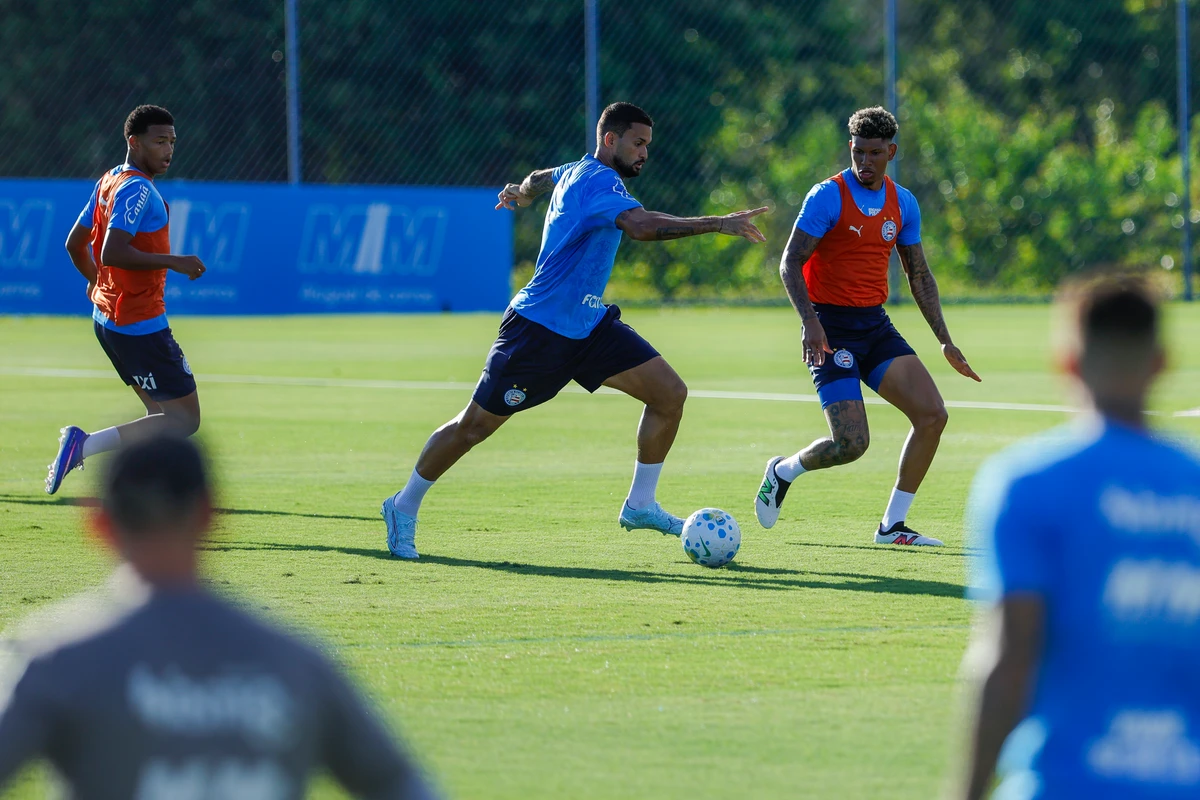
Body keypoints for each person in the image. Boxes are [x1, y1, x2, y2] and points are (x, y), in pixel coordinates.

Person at [381, 101, 768, 559]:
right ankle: (403, 507)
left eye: (648, 145)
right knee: (473, 428)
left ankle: (640, 504)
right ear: (611, 139)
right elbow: (641, 227)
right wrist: (717, 223)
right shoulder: (599, 183)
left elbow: (542, 177)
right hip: (538, 330)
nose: (645, 153)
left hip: (588, 326)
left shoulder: (576, 170)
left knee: (669, 395)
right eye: (638, 143)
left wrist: (524, 190)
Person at [0, 435, 437, 799]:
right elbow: (400, 784)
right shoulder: (295, 662)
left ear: (98, 524)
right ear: (211, 515)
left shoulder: (56, 660)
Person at [956, 274, 1200, 799]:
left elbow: (1008, 659)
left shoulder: (1027, 483)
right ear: (1161, 362)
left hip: (1064, 784)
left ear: (1065, 361)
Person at [754, 106, 980, 546]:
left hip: (874, 327)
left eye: (875, 152)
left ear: (891, 151)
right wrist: (809, 322)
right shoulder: (827, 196)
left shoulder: (904, 203)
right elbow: (790, 262)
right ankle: (783, 471)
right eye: (858, 151)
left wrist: (945, 341)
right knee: (852, 444)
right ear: (850, 148)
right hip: (830, 328)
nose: (865, 161)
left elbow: (918, 275)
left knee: (933, 416)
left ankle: (892, 526)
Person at [45, 104, 207, 495]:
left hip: (109, 319)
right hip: (139, 325)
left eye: (171, 141)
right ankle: (83, 445)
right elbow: (112, 251)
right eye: (158, 141)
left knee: (159, 415)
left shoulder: (110, 180)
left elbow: (75, 244)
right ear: (134, 142)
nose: (168, 149)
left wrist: (98, 282)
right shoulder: (136, 188)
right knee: (183, 420)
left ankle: (151, 492)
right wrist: (175, 261)